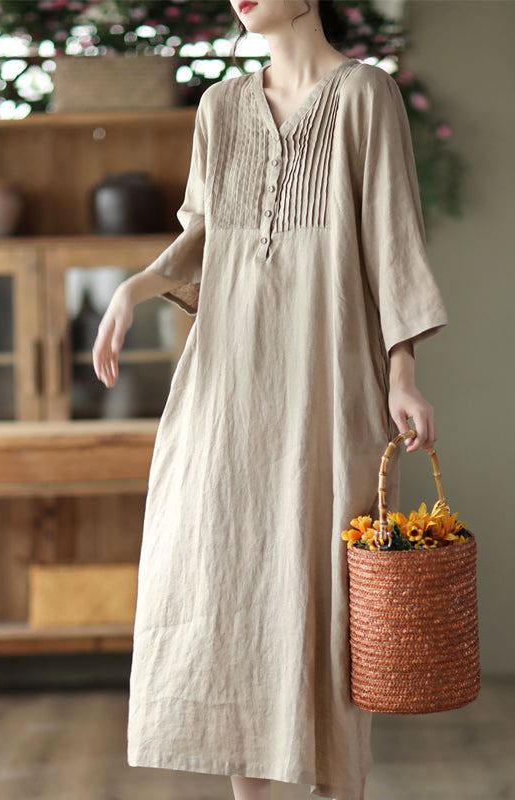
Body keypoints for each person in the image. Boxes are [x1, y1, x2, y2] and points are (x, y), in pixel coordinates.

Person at [92, 2, 448, 798]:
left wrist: (402, 372)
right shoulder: (221, 107)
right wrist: (135, 287)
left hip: (329, 381)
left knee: (331, 599)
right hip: (227, 388)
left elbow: (391, 238)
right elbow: (202, 234)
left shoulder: (365, 96)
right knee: (228, 584)